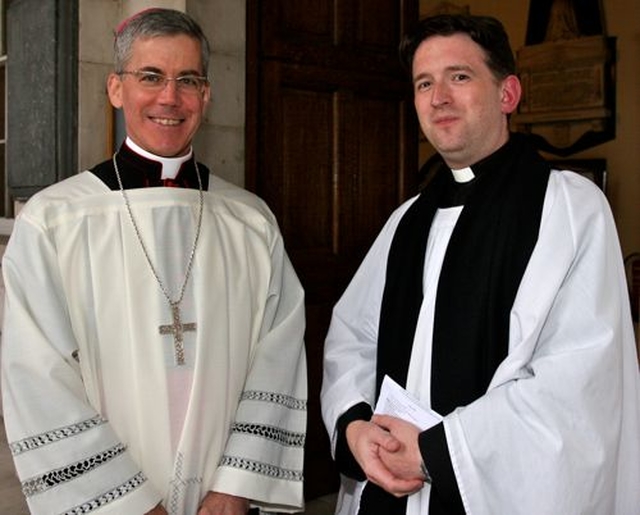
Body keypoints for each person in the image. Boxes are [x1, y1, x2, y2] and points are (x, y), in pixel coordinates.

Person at [321, 13, 640, 515]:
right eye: (424, 83)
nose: (438, 97)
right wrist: (357, 430)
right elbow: (353, 341)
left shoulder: (568, 208)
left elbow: (576, 383)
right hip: (391, 488)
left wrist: (436, 451)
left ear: (507, 94)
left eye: (459, 77)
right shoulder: (407, 221)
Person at [1, 8, 306, 515]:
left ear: (206, 96)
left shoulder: (250, 222)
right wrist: (131, 505)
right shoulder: (54, 221)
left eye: (188, 80)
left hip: (223, 498)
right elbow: (37, 376)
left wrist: (235, 488)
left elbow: (279, 359)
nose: (170, 97)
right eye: (150, 77)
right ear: (116, 89)